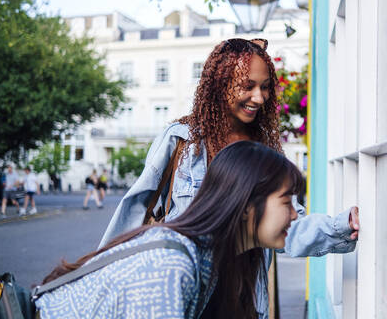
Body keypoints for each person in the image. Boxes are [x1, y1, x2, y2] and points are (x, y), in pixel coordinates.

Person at [99, 38, 359, 318]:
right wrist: (103, 281)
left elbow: (289, 227)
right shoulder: (181, 141)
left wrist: (340, 226)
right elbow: (134, 211)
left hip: (243, 300)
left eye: (265, 87)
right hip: (186, 295)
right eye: (248, 86)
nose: (259, 97)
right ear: (220, 85)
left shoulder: (265, 153)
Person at [36, 142, 304, 318]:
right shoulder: (172, 264)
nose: (295, 214)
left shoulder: (215, 257)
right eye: (286, 200)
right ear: (246, 204)